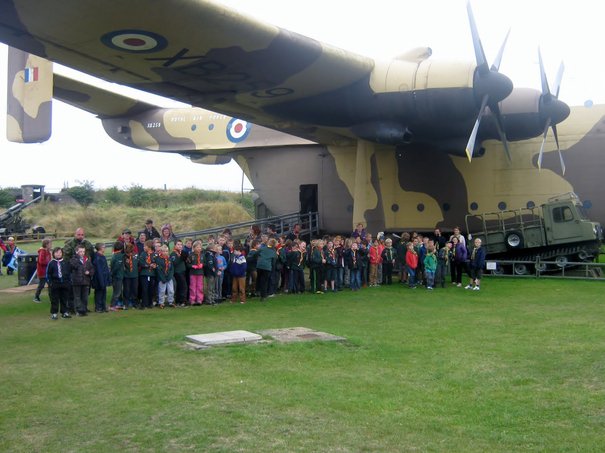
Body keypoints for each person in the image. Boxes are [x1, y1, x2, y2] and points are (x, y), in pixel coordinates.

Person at [46, 247, 71, 320]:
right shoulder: (51, 263)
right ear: (53, 254)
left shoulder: (65, 262)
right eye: (56, 253)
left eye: (60, 252)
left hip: (65, 284)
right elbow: (48, 274)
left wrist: (69, 282)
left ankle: (64, 312)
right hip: (55, 284)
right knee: (54, 299)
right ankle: (54, 313)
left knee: (64, 299)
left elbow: (69, 273)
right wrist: (50, 283)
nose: (58, 254)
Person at [70, 244, 94, 316]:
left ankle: (83, 310)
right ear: (76, 252)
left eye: (83, 251)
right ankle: (78, 310)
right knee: (77, 297)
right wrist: (81, 262)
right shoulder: (73, 259)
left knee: (85, 297)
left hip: (86, 281)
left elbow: (92, 269)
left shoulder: (87, 260)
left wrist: (89, 272)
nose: (82, 253)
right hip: (77, 282)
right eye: (80, 251)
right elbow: (74, 266)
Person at [91, 243, 111, 312]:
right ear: (100, 248)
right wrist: (101, 281)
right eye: (103, 247)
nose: (105, 248)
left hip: (104, 278)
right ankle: (98, 307)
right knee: (99, 293)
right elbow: (99, 271)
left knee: (103, 293)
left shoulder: (102, 256)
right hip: (99, 279)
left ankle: (103, 306)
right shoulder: (97, 258)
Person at [138, 240, 157, 309]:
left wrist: (155, 265)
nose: (143, 247)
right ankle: (144, 303)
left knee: (151, 289)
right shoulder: (143, 254)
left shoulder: (154, 255)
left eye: (145, 246)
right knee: (144, 289)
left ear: (149, 247)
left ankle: (150, 303)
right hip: (144, 274)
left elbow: (156, 262)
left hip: (152, 274)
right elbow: (141, 263)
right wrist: (149, 265)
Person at [33, 238, 53, 302]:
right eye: (50, 244)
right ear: (46, 244)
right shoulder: (42, 251)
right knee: (41, 285)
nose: (51, 245)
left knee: (50, 284)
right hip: (42, 272)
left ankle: (52, 297)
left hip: (47, 272)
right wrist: (49, 263)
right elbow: (41, 261)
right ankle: (36, 297)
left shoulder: (48, 251)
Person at [171, 239, 188, 307]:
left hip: (183, 271)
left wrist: (185, 257)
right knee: (183, 286)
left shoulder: (183, 252)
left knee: (180, 287)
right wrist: (181, 257)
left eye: (181, 245)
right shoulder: (173, 253)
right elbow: (174, 262)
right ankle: (182, 301)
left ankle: (179, 301)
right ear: (175, 245)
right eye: (178, 244)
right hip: (177, 272)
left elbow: (186, 260)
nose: (180, 246)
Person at [187, 240, 204, 305]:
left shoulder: (202, 255)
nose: (199, 248)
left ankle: (199, 299)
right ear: (194, 248)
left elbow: (205, 263)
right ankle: (192, 300)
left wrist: (202, 264)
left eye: (200, 247)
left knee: (200, 287)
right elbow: (187, 264)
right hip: (193, 273)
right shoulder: (191, 255)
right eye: (197, 247)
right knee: (192, 287)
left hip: (200, 273)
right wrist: (192, 266)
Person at [123, 243, 139, 309]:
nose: (129, 254)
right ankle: (126, 304)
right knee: (126, 290)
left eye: (131, 252)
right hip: (127, 276)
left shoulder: (136, 256)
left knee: (134, 290)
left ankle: (134, 303)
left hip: (135, 275)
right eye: (128, 252)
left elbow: (138, 264)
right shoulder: (123, 256)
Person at [110, 241, 125, 310]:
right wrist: (113, 273)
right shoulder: (119, 256)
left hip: (116, 276)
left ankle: (115, 305)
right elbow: (116, 267)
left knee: (117, 291)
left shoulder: (115, 254)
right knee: (117, 292)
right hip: (117, 276)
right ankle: (112, 305)